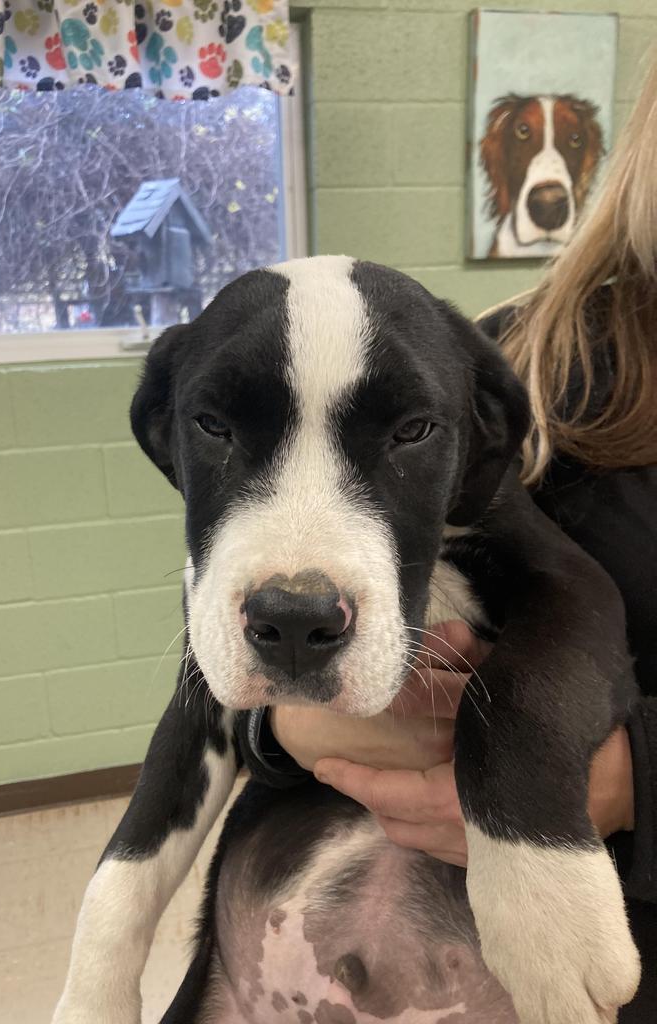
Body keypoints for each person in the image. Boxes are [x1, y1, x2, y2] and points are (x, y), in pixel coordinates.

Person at [242, 52, 657, 1019]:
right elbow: (262, 619)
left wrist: (633, 777)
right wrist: (289, 720)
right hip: (440, 933)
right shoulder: (502, 359)